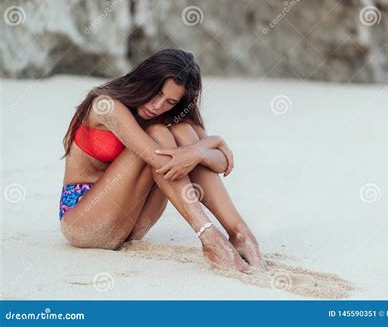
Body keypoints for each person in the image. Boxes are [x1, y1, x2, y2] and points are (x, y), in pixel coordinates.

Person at [59, 48, 266, 272]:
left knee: (184, 132)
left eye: (170, 102)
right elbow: (161, 161)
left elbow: (222, 164)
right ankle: (208, 235)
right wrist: (211, 143)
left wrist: (198, 151)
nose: (157, 106)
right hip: (85, 221)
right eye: (156, 93)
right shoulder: (106, 105)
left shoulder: (167, 116)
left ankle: (240, 233)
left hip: (130, 226)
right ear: (144, 79)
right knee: (160, 136)